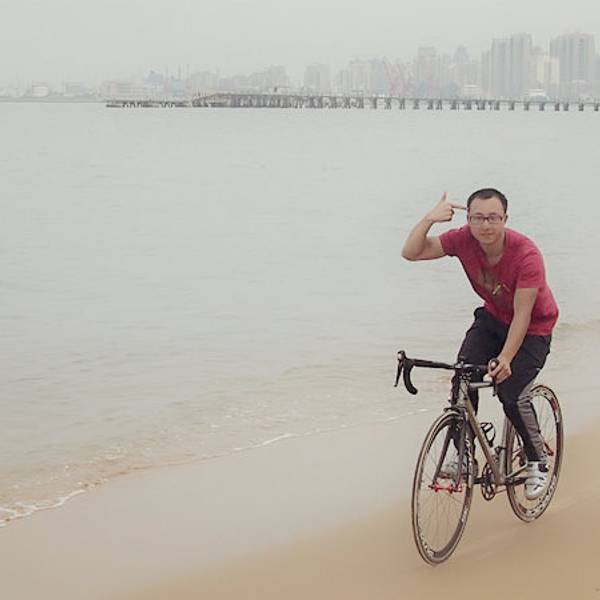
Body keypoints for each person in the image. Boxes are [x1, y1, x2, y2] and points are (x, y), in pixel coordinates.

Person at [401, 188, 558, 500]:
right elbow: (412, 252)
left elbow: (523, 314)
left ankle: (537, 458)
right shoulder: (463, 240)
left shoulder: (526, 254)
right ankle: (464, 453)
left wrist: (506, 358)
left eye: (493, 218)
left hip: (533, 328)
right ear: (469, 219)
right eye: (478, 218)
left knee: (510, 392)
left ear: (505, 219)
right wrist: (430, 219)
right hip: (492, 319)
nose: (486, 225)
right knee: (462, 376)